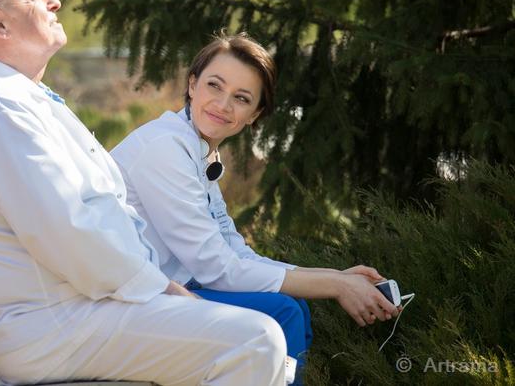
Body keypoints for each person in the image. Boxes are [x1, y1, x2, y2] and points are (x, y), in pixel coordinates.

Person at [0, 0, 289, 386]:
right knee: (255, 340)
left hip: (69, 312)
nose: (54, 0)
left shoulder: (13, 100)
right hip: (50, 327)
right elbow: (67, 231)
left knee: (253, 331)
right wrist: (163, 289)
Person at [111, 32, 400, 382]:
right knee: (284, 312)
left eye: (241, 98)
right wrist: (335, 286)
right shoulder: (164, 148)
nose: (223, 104)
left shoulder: (198, 151)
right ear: (192, 84)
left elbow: (235, 252)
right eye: (214, 86)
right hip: (129, 301)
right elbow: (215, 267)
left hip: (172, 288)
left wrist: (337, 277)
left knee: (295, 308)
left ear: (255, 114)